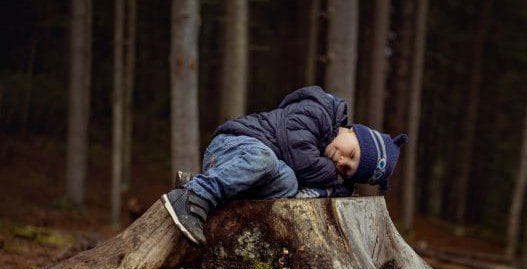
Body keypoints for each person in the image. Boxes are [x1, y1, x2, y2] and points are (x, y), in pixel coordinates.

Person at [161, 86, 407, 246]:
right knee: (265, 159)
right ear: (353, 131)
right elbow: (299, 153)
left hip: (246, 167)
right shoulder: (318, 112)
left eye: (346, 169)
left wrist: (333, 186)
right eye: (352, 153)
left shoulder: (322, 160)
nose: (341, 162)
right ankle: (193, 196)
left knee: (288, 183)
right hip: (233, 145)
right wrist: (335, 179)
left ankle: (209, 184)